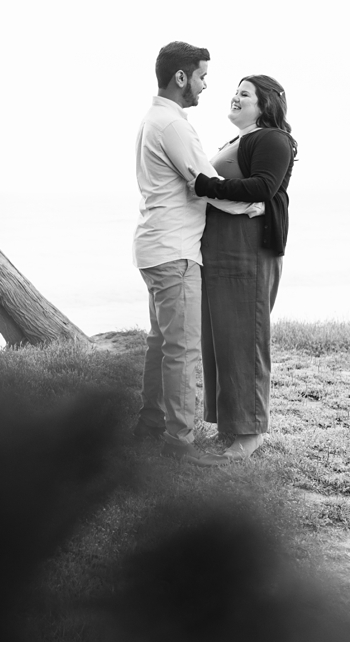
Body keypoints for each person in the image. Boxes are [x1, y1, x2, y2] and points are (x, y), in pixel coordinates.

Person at [131, 42, 260, 463]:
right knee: (182, 350)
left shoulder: (155, 120)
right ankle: (179, 444)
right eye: (202, 76)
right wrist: (250, 205)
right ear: (181, 77)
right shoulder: (173, 126)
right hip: (176, 253)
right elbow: (206, 183)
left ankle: (150, 425)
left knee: (161, 345)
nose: (206, 86)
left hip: (155, 248)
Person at [186, 75, 297, 466]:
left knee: (243, 340)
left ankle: (248, 437)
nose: (235, 97)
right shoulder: (236, 140)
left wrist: (206, 186)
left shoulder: (270, 138)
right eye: (235, 92)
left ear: (265, 104)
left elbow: (263, 188)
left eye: (245, 94)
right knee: (221, 341)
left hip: (247, 249)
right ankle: (229, 427)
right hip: (221, 249)